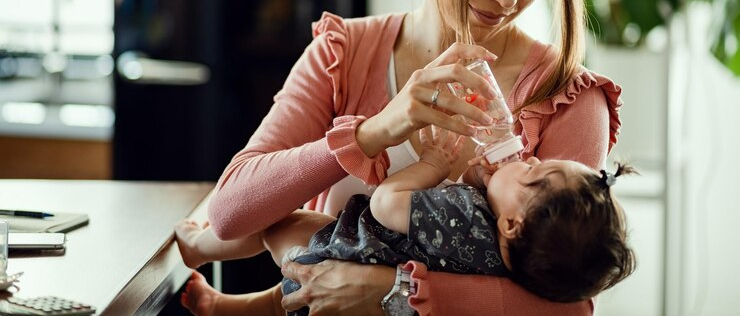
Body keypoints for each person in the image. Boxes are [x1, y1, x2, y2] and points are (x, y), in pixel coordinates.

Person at [185, 0, 624, 316]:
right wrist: (374, 132)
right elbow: (229, 215)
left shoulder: (569, 96)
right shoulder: (343, 54)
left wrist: (391, 291)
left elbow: (570, 308)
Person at [176, 125, 635, 315]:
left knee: (277, 221)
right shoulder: (510, 260)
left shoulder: (464, 215)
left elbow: (386, 205)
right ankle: (224, 307)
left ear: (513, 224)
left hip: (330, 255)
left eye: (533, 173)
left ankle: (202, 247)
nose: (529, 159)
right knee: (287, 300)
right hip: (360, 300)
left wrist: (435, 166)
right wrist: (478, 179)